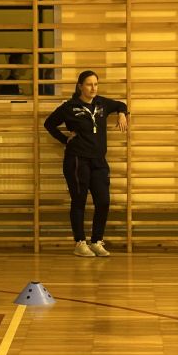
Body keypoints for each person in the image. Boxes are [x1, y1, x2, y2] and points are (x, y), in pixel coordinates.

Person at [44, 70, 129, 257]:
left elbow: (121, 104)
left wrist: (122, 114)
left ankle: (97, 241)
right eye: (89, 84)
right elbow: (49, 124)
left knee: (103, 201)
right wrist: (65, 139)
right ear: (80, 86)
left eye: (96, 84)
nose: (93, 88)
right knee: (79, 201)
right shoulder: (70, 107)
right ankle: (80, 243)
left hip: (99, 161)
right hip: (77, 160)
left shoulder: (102, 103)